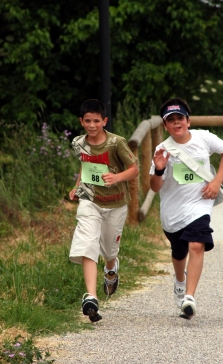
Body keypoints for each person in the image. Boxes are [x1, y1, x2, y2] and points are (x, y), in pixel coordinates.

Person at [150, 97, 223, 320]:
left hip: (200, 205)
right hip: (173, 210)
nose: (176, 123)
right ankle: (179, 283)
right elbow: (155, 187)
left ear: (188, 120)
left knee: (197, 244)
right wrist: (159, 170)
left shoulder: (204, 138)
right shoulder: (162, 149)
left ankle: (189, 297)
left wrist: (216, 181)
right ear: (165, 125)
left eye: (180, 118)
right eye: (171, 120)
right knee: (179, 252)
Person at [69, 99, 139, 323]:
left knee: (109, 250)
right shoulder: (79, 142)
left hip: (116, 203)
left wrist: (117, 177)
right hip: (90, 200)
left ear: (104, 121)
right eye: (87, 121)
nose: (91, 125)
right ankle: (91, 297)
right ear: (81, 121)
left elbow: (134, 169)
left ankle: (111, 269)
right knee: (88, 242)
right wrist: (77, 186)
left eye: (96, 121)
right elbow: (85, 165)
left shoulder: (116, 143)